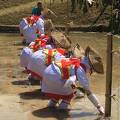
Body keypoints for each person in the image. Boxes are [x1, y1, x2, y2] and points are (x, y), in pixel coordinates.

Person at [41, 46, 105, 115]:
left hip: (47, 72)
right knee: (70, 92)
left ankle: (50, 107)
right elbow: (88, 92)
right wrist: (99, 106)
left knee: (67, 88)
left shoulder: (78, 60)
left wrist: (76, 90)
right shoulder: (81, 71)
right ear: (91, 67)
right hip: (55, 77)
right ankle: (61, 111)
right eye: (93, 71)